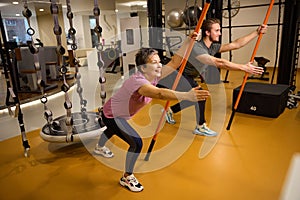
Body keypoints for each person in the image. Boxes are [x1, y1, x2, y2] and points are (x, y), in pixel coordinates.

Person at [93, 47, 210, 192]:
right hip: (112, 115)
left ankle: (99, 147)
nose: (159, 65)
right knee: (136, 143)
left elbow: (174, 62)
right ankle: (127, 177)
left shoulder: (153, 75)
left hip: (113, 110)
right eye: (154, 62)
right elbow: (160, 93)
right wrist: (186, 96)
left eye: (159, 61)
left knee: (111, 130)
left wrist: (190, 40)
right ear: (143, 67)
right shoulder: (138, 82)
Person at [162, 18, 267, 136]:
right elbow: (219, 62)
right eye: (217, 30)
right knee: (200, 96)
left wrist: (256, 32)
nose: (220, 33)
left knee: (193, 97)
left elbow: (236, 44)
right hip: (178, 75)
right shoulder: (197, 47)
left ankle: (169, 111)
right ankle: (201, 126)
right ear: (207, 32)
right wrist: (243, 67)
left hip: (189, 77)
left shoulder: (212, 47)